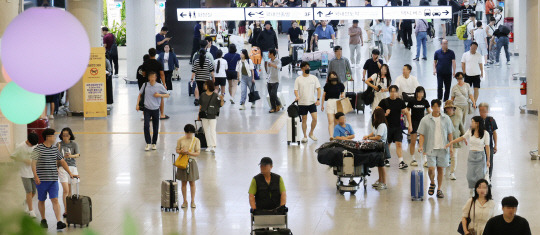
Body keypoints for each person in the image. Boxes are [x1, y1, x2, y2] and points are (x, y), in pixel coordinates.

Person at [32, 128, 78, 229]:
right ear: (48, 137)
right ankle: (43, 219)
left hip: (53, 180)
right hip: (41, 180)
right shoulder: (38, 149)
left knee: (55, 200)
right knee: (42, 200)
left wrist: (70, 173)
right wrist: (35, 176)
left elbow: (62, 161)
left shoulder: (54, 149)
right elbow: (33, 163)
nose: (55, 138)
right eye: (53, 136)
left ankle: (59, 221)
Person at [417, 99, 454, 198]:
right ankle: (432, 183)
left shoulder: (446, 119)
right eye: (435, 106)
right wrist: (420, 146)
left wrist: (451, 147)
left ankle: (439, 189)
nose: (437, 108)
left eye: (438, 106)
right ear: (432, 107)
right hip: (430, 148)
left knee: (440, 169)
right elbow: (422, 134)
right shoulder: (425, 119)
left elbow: (450, 133)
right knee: (431, 168)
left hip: (443, 148)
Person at [446, 116, 490, 196]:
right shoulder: (470, 131)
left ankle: (478, 192)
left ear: (477, 123)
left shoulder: (485, 133)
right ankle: (472, 189)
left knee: (480, 176)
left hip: (481, 155)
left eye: (472, 121)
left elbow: (487, 147)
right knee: (470, 175)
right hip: (471, 155)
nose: (471, 123)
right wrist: (451, 142)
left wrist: (488, 160)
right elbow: (462, 138)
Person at [376, 85, 413, 169]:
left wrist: (410, 125)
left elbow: (407, 113)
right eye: (391, 91)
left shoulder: (400, 102)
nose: (393, 93)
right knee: (387, 144)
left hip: (397, 127)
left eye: (395, 91)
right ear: (389, 92)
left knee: (399, 144)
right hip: (387, 127)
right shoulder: (384, 101)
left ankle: (401, 162)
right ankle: (386, 159)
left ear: (397, 92)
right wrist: (385, 114)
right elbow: (376, 112)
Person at [136, 71, 170, 151]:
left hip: (155, 109)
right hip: (147, 109)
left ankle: (154, 143)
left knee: (155, 127)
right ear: (148, 78)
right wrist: (137, 104)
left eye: (153, 77)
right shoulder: (145, 85)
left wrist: (159, 95)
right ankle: (148, 143)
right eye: (150, 77)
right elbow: (140, 94)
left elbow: (168, 95)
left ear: (155, 78)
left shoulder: (159, 86)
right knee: (146, 126)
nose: (152, 79)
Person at [10, 133, 39, 217]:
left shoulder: (35, 145)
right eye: (31, 144)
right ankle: (31, 211)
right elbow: (12, 156)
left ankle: (26, 202)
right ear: (28, 141)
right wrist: (24, 160)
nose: (32, 146)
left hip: (33, 172)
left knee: (33, 192)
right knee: (29, 191)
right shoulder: (21, 146)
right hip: (24, 172)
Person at [294, 62, 322, 143]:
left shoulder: (314, 78)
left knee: (315, 118)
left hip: (312, 102)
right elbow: (295, 90)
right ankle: (305, 136)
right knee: (304, 119)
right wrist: (297, 96)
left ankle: (311, 133)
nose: (308, 68)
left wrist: (318, 99)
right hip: (302, 103)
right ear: (302, 68)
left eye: (308, 67)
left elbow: (319, 89)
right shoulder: (298, 79)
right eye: (306, 67)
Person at [175, 124, 201, 209]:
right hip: (183, 162)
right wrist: (181, 151)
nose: (189, 135)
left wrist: (189, 153)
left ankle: (193, 201)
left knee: (192, 182)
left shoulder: (196, 140)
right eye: (187, 133)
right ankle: (184, 201)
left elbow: (197, 153)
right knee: (183, 182)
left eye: (191, 133)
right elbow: (177, 150)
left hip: (192, 162)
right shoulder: (180, 140)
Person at [56, 127, 80, 218]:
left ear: (70, 135)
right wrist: (56, 167)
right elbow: (56, 157)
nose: (65, 137)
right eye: (63, 135)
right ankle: (66, 210)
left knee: (70, 190)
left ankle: (68, 209)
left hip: (72, 167)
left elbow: (78, 154)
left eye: (67, 135)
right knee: (65, 190)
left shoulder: (74, 144)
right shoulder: (58, 144)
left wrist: (71, 155)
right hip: (62, 168)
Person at [363, 108, 389, 190]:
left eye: (375, 115)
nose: (373, 116)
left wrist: (369, 139)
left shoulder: (382, 125)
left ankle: (384, 182)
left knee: (382, 165)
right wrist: (368, 136)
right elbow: (374, 132)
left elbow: (378, 137)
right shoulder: (377, 124)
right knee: (379, 164)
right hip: (377, 146)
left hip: (381, 147)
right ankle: (380, 180)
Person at [407, 87, 431, 167]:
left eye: (422, 92)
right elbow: (407, 111)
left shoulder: (425, 101)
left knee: (423, 142)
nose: (421, 94)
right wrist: (409, 124)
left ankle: (425, 160)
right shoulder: (412, 101)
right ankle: (412, 159)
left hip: (423, 122)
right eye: (419, 92)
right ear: (416, 93)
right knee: (413, 141)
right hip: (414, 122)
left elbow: (429, 112)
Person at [142, 48, 168, 119]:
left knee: (147, 98)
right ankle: (162, 114)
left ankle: (148, 115)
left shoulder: (145, 63)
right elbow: (162, 74)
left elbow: (143, 74)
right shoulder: (158, 63)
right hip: (157, 83)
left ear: (149, 54)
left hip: (148, 83)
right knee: (161, 98)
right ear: (155, 54)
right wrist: (164, 84)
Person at [198, 81, 224, 153]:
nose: (204, 86)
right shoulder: (203, 94)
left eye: (205, 84)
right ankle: (209, 145)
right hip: (204, 115)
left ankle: (213, 145)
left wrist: (221, 99)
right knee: (206, 131)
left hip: (212, 115)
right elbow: (200, 105)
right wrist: (199, 114)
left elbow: (221, 105)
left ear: (208, 86)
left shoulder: (216, 95)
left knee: (212, 130)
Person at [444, 100, 464, 180]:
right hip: (445, 141)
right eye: (448, 108)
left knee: (454, 156)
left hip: (455, 140)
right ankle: (444, 170)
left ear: (453, 108)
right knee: (445, 156)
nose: (450, 109)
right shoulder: (443, 118)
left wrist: (463, 137)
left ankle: (452, 173)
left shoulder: (458, 118)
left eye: (451, 108)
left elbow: (461, 129)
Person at [321, 72, 345, 139]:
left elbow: (343, 93)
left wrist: (342, 95)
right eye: (331, 77)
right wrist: (322, 105)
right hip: (330, 102)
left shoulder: (340, 85)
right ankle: (331, 136)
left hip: (338, 102)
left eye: (334, 76)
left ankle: (336, 135)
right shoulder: (327, 85)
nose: (333, 78)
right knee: (330, 121)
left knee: (337, 121)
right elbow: (323, 96)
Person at [478, 103, 497, 180]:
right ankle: (481, 179)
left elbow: (494, 133)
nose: (482, 113)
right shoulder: (476, 120)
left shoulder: (491, 120)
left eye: (484, 111)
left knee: (489, 162)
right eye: (480, 111)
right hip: (479, 147)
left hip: (489, 146)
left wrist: (495, 145)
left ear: (488, 111)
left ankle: (488, 178)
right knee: (479, 163)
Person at [267, 49, 282, 113]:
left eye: (268, 53)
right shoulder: (268, 61)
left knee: (273, 94)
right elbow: (268, 71)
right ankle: (273, 107)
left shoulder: (278, 61)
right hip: (269, 80)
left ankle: (278, 104)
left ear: (272, 54)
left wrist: (272, 65)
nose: (268, 54)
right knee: (271, 95)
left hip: (276, 80)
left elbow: (279, 67)